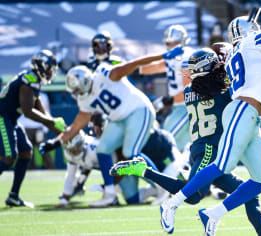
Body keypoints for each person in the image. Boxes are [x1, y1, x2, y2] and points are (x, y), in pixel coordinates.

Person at [157, 16, 261, 235]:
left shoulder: (237, 51)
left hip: (252, 116)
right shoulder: (254, 40)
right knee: (222, 165)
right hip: (243, 110)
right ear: (248, 30)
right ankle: (171, 204)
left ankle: (213, 214)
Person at [110, 45, 261, 235]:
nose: (219, 66)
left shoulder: (189, 91)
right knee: (192, 196)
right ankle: (143, 170)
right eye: (215, 64)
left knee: (249, 194)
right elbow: (236, 89)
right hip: (209, 149)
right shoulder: (221, 92)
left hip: (206, 149)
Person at [40, 46, 184, 207]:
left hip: (138, 110)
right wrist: (54, 142)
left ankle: (161, 187)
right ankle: (109, 194)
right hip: (119, 119)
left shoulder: (104, 74)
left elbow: (133, 63)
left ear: (86, 82)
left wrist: (162, 56)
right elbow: (75, 127)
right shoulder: (84, 99)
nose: (78, 94)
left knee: (131, 153)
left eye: (78, 89)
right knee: (102, 149)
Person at [0, 50, 65, 207]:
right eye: (50, 68)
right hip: (2, 118)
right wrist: (51, 122)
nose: (51, 72)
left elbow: (37, 105)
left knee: (26, 151)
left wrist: (52, 123)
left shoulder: (34, 78)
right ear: (41, 66)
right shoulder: (29, 80)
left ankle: (14, 196)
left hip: (11, 119)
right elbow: (28, 111)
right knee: (9, 157)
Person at [140, 24, 195, 151]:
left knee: (167, 143)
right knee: (181, 147)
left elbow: (189, 89)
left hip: (189, 107)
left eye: (175, 42)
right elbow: (154, 67)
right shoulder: (172, 56)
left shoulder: (187, 56)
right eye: (170, 43)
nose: (172, 45)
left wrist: (167, 100)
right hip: (179, 107)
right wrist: (130, 68)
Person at [18, 92, 55, 169]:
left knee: (44, 150)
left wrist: (45, 128)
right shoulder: (22, 94)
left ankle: (51, 169)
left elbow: (46, 112)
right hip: (26, 129)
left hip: (39, 128)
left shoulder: (44, 96)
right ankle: (31, 172)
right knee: (28, 151)